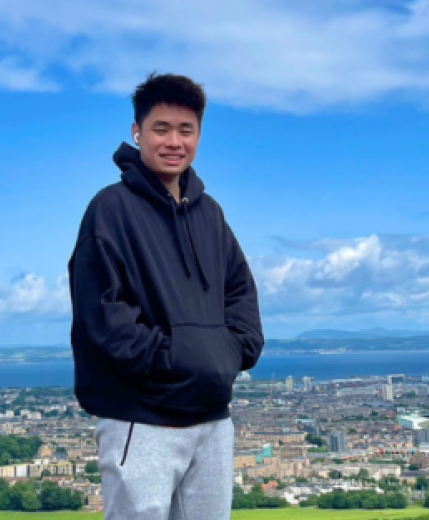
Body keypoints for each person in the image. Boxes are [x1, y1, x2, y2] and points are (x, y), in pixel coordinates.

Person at [68, 73, 264, 519]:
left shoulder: (209, 213)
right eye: (161, 129)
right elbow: (104, 316)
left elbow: (240, 292)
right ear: (137, 132)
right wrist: (175, 360)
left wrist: (230, 353)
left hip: (212, 418)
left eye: (186, 130)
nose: (174, 142)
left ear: (199, 136)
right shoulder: (110, 209)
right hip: (141, 417)